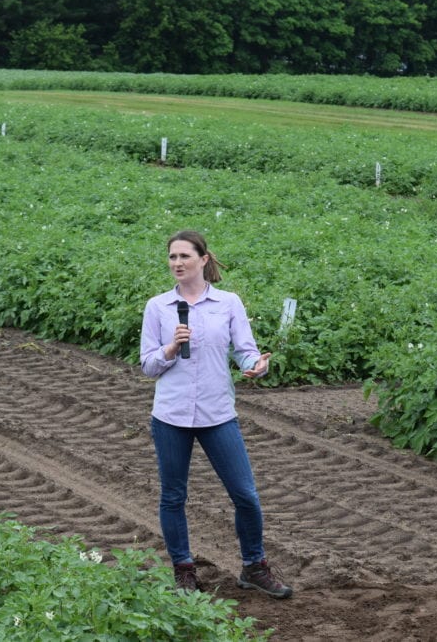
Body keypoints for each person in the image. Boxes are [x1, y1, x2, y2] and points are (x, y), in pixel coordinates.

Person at [140, 229, 293, 599]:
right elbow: (147, 365)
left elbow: (244, 350)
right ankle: (184, 571)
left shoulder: (228, 303)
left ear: (203, 260)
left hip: (217, 413)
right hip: (171, 416)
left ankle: (254, 566)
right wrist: (171, 348)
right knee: (173, 497)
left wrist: (256, 365)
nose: (177, 263)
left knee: (245, 494)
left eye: (184, 257)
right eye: (172, 257)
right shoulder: (157, 307)